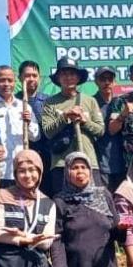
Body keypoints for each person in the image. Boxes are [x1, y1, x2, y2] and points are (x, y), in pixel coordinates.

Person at [40, 57, 104, 195]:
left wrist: (84, 121)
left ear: (78, 77)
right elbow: (47, 132)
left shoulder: (90, 101)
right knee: (64, 205)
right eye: (63, 74)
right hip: (61, 164)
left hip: (88, 163)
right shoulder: (50, 103)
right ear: (58, 78)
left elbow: (100, 130)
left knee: (95, 204)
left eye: (72, 73)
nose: (68, 77)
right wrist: (65, 117)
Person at [0, 65, 41, 200]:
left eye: (10, 80)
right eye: (2, 80)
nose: (6, 84)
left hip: (20, 172)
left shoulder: (24, 106)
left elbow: (36, 136)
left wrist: (28, 123)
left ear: (15, 82)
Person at [18, 60, 52, 194]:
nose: (31, 79)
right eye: (27, 76)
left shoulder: (48, 101)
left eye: (34, 75)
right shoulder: (14, 101)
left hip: (47, 158)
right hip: (23, 157)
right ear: (20, 77)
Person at [92, 67, 125, 191]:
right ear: (96, 81)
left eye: (110, 79)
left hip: (123, 163)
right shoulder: (91, 103)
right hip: (100, 164)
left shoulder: (121, 103)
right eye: (102, 79)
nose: (106, 82)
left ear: (114, 82)